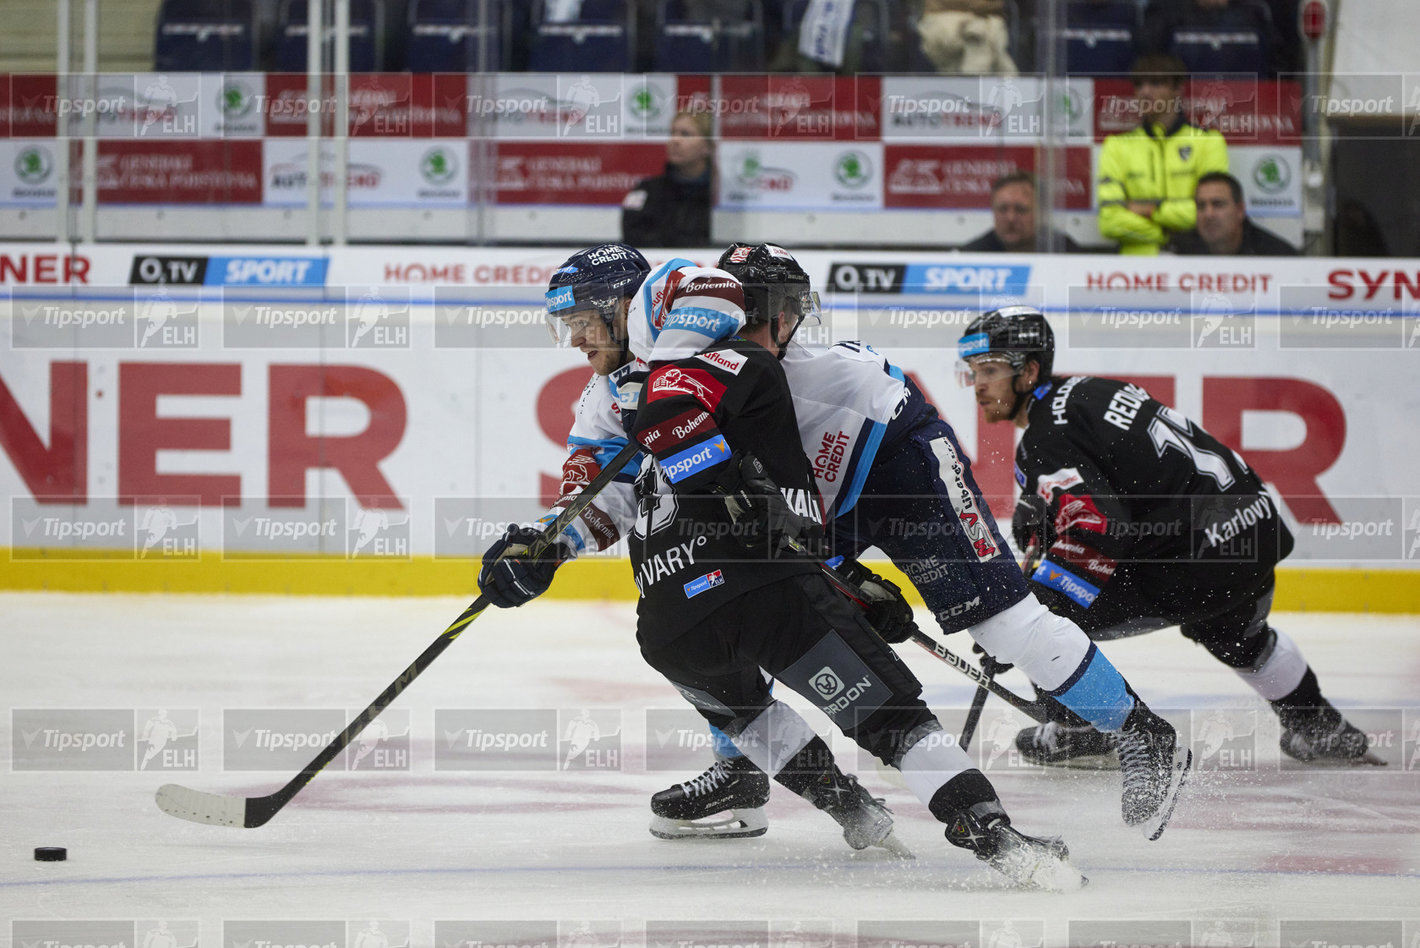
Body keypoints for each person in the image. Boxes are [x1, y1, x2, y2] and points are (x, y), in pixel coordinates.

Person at [485, 241, 1191, 853]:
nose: (577, 342)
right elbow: (606, 494)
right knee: (732, 595)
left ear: (622, 308)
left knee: (1001, 619)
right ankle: (740, 771)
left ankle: (1142, 731)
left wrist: (663, 372)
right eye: (567, 328)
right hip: (806, 497)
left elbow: (702, 288)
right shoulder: (610, 394)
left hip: (897, 457)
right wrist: (549, 546)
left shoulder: (681, 316)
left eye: (581, 322)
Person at [957, 306, 1376, 767]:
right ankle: (1320, 727)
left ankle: (1082, 729)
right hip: (1253, 532)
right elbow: (1136, 482)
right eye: (975, 371)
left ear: (1029, 370)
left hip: (1195, 560)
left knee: (1036, 613)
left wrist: (1024, 617)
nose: (978, 384)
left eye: (991, 370)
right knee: (1235, 635)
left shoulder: (1044, 437)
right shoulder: (1092, 391)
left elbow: (1099, 529)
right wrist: (1049, 510)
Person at [1097, 53, 1229, 255]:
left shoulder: (1209, 142)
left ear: (1178, 89)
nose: (1145, 92)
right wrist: (1170, 236)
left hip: (1194, 264)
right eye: (1139, 85)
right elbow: (1109, 222)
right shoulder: (1117, 146)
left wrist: (1149, 211)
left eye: (1156, 84)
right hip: (1136, 272)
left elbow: (1210, 215)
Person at [620, 109, 713, 248]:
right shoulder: (647, 191)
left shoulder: (718, 194)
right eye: (672, 133)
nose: (675, 140)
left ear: (707, 146)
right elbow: (633, 239)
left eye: (685, 134)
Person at [1170, 171, 1299, 256]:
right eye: (1201, 206)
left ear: (1240, 210)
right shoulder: (1178, 252)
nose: (1208, 214)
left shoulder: (1276, 255)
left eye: (1218, 204)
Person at [960, 172, 1083, 254]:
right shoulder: (973, 256)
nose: (1010, 218)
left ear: (1042, 213)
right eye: (1002, 209)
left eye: (1021, 210)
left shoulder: (1065, 252)